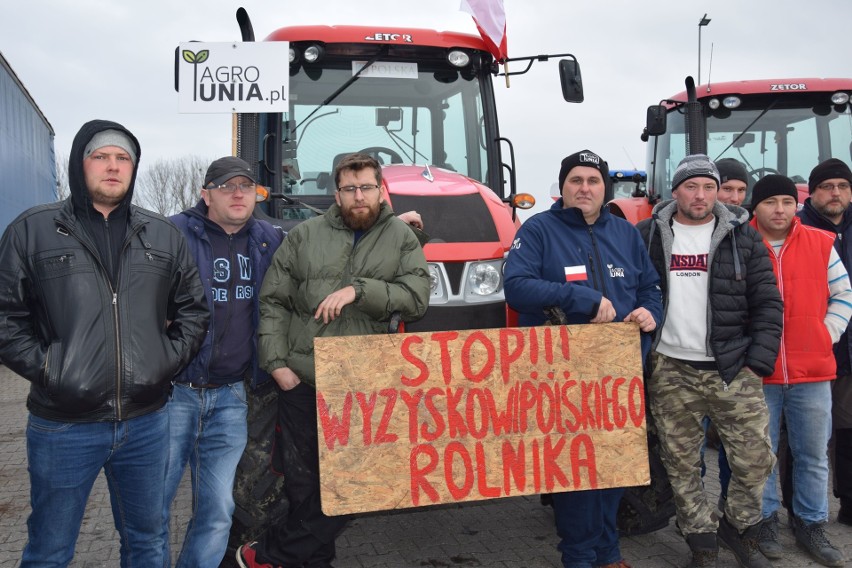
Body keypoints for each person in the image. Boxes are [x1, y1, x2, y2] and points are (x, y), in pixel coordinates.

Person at [0, 119, 209, 567]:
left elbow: (194, 310)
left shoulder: (162, 235)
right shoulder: (31, 231)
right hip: (63, 425)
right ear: (80, 164)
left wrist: (163, 362)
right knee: (50, 549)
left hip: (147, 423)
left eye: (123, 158)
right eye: (101, 156)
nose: (113, 167)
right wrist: (52, 370)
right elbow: (6, 317)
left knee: (148, 541)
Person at [236, 152, 430, 568]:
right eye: (349, 188)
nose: (359, 196)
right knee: (305, 484)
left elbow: (416, 299)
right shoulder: (304, 236)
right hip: (304, 381)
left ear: (381, 190)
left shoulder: (402, 238)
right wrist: (278, 366)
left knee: (363, 483)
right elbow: (272, 301)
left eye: (366, 187)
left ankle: (273, 553)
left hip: (365, 384)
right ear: (337, 194)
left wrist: (360, 290)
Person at [504, 149, 663, 568]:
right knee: (575, 472)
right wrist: (582, 298)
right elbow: (517, 288)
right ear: (562, 187)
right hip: (560, 376)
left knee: (613, 466)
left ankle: (609, 553)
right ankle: (577, 557)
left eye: (593, 181)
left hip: (619, 373)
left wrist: (651, 312)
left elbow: (650, 287)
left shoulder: (625, 233)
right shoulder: (539, 230)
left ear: (604, 186)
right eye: (575, 180)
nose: (584, 188)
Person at [637, 154, 782, 568]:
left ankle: (737, 531)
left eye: (708, 187)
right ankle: (701, 544)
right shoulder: (648, 234)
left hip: (731, 367)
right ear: (676, 191)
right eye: (691, 187)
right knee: (681, 464)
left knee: (755, 461)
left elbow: (768, 302)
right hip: (670, 369)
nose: (699, 196)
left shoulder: (742, 236)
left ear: (718, 192)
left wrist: (757, 361)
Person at [162, 157, 285, 567]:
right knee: (153, 509)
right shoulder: (171, 234)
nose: (238, 193)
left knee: (217, 512)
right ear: (206, 193)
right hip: (172, 396)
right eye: (227, 186)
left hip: (231, 398)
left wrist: (391, 223)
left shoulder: (271, 239)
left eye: (246, 187)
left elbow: (329, 249)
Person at [747, 175, 850, 567]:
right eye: (771, 202)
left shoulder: (820, 243)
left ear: (796, 206)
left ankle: (810, 523)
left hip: (813, 370)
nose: (780, 210)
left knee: (812, 454)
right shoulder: (740, 243)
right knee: (763, 454)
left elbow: (843, 295)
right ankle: (767, 520)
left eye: (787, 202)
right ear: (756, 207)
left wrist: (826, 334)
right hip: (760, 372)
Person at [797, 158, 852, 529]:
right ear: (813, 192)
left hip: (848, 352)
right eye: (827, 186)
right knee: (802, 439)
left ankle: (848, 502)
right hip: (808, 351)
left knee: (848, 429)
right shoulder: (797, 229)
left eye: (843, 186)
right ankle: (796, 511)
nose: (836, 193)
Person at [699, 157, 751, 510]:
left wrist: (756, 358)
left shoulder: (749, 238)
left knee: (740, 449)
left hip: (733, 360)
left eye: (740, 191)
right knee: (689, 450)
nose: (733, 198)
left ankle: (732, 515)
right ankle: (693, 518)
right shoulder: (662, 232)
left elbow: (765, 301)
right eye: (727, 189)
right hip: (683, 362)